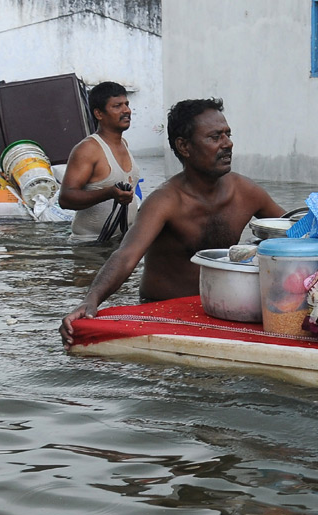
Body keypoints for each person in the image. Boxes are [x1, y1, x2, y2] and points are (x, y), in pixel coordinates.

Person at [60, 97, 284, 347]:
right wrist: (91, 301)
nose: (227, 144)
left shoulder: (246, 192)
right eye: (215, 137)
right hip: (162, 315)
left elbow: (293, 232)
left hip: (222, 314)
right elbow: (126, 256)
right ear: (184, 146)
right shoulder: (164, 202)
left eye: (227, 134)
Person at [59, 81, 142, 243]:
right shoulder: (88, 149)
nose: (126, 110)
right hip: (89, 247)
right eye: (117, 106)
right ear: (99, 114)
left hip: (120, 242)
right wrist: (109, 193)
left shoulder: (124, 144)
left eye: (127, 104)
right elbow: (66, 199)